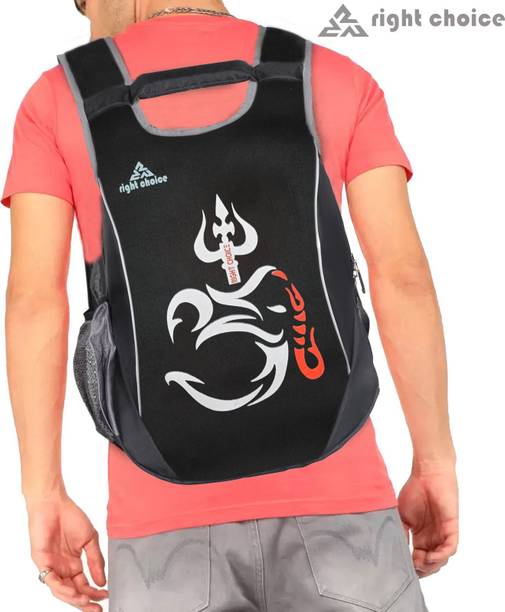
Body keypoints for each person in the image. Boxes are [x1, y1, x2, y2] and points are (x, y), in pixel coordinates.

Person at [2, 1, 458, 610]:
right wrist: (434, 462)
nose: (89, 28)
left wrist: (44, 495)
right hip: (345, 501)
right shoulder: (328, 74)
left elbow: (35, 302)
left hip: (161, 525)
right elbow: (401, 277)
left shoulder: (57, 99)